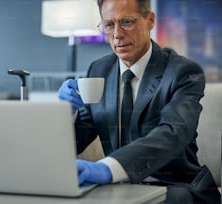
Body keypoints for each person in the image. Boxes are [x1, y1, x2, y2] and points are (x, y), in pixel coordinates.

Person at [58, 0, 221, 203]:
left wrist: (107, 169)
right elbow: (78, 140)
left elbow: (172, 134)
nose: (117, 34)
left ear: (150, 20)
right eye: (109, 24)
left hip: (175, 187)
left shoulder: (183, 72)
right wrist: (65, 113)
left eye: (126, 22)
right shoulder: (98, 71)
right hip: (118, 190)